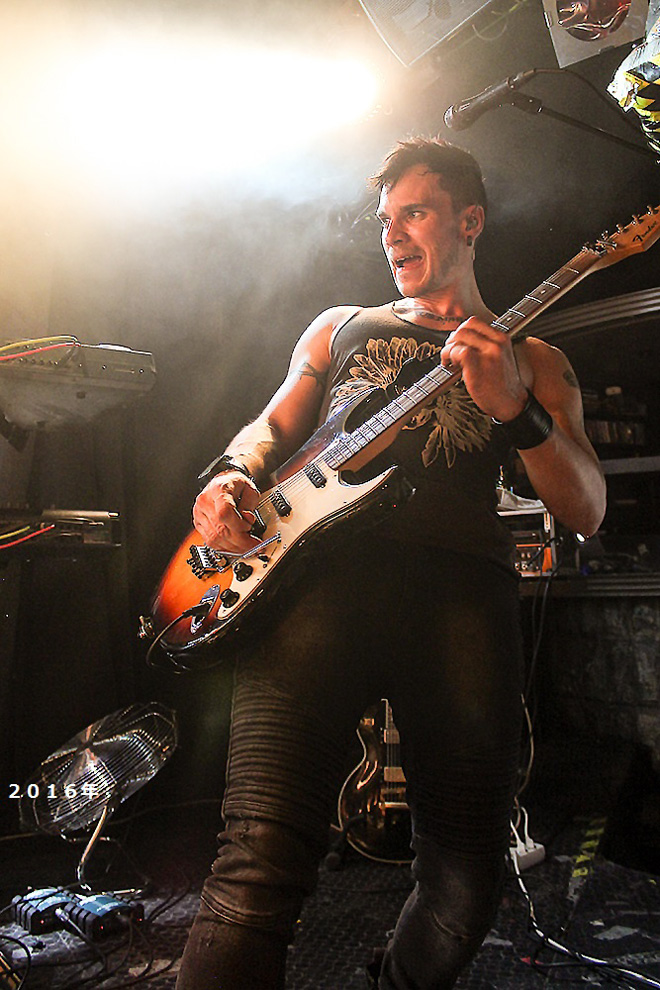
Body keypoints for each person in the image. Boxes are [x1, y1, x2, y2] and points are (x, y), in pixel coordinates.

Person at [175, 137, 606, 989]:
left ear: (469, 220)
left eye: (414, 213)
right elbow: (272, 425)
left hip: (462, 600)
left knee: (466, 878)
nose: (392, 234)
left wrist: (515, 411)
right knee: (256, 863)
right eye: (384, 220)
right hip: (312, 590)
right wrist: (231, 473)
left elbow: (587, 506)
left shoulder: (534, 360)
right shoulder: (340, 326)